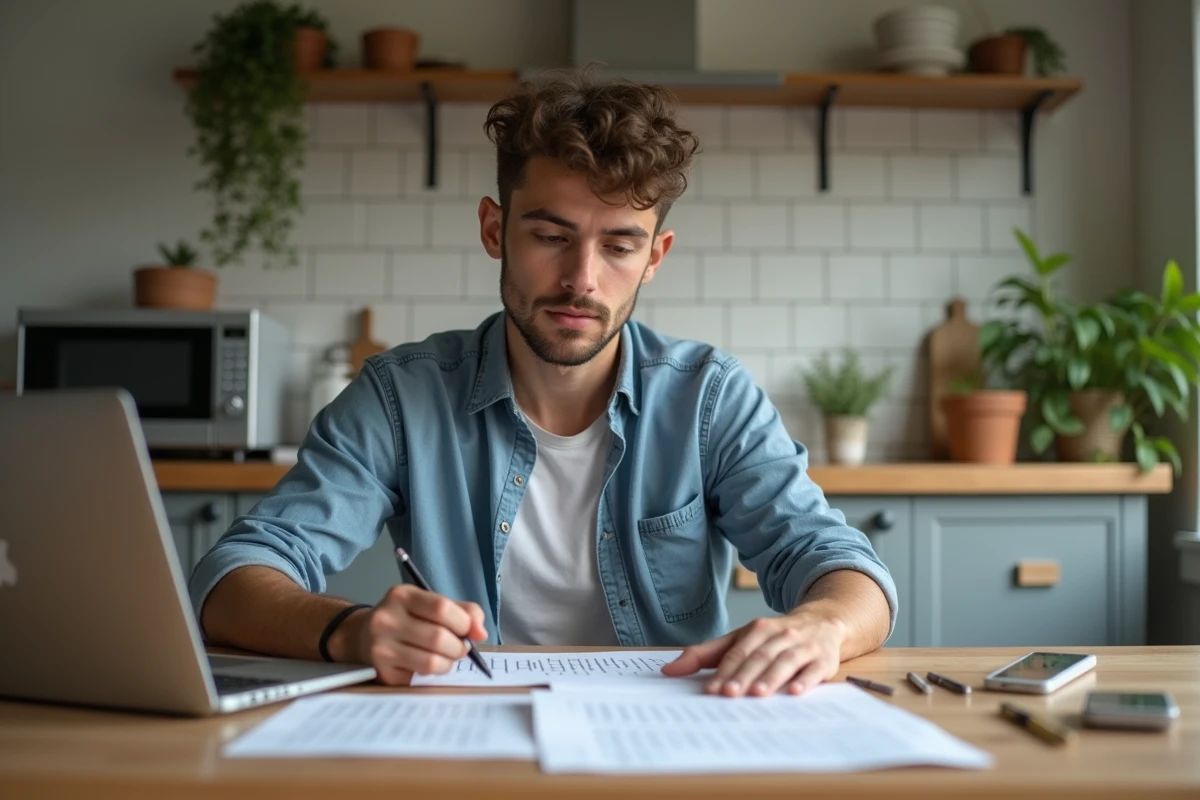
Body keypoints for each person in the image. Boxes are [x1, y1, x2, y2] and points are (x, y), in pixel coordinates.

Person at [190, 67, 897, 699]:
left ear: (656, 256)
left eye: (619, 245)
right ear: (495, 229)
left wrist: (822, 628)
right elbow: (231, 579)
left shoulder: (709, 398)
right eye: (551, 236)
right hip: (465, 730)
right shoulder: (400, 398)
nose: (581, 279)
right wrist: (349, 630)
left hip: (665, 735)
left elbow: (841, 566)